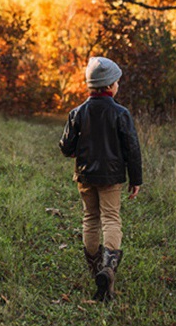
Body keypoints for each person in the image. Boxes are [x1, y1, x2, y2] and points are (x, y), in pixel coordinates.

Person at [59, 56, 143, 302]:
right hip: (111, 176)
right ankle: (108, 269)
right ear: (109, 86)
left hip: (85, 175)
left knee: (90, 218)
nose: (118, 85)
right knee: (111, 218)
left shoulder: (78, 112)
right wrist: (135, 179)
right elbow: (132, 148)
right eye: (116, 82)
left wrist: (76, 149)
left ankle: (96, 270)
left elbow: (66, 146)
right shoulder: (121, 113)